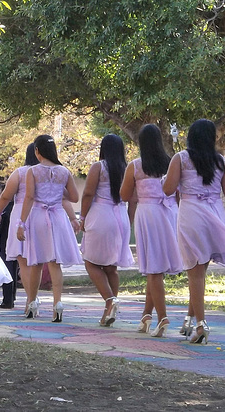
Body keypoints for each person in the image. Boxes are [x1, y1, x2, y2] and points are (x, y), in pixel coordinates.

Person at [163, 119, 225, 344]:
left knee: (194, 271)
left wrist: (164, 181)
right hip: (214, 214)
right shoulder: (222, 162)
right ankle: (190, 318)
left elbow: (168, 189)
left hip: (191, 214)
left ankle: (201, 324)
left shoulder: (181, 159)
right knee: (199, 270)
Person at [120, 124, 183, 336]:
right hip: (170, 213)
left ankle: (162, 317)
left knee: (153, 268)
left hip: (148, 214)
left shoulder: (136, 166)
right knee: (155, 268)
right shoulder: (171, 164)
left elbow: (124, 195)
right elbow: (178, 194)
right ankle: (146, 314)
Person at [17, 135, 83, 322]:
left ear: (37, 151)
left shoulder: (33, 171)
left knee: (36, 261)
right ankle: (57, 304)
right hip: (58, 216)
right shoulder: (64, 172)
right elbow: (74, 197)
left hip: (38, 216)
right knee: (55, 263)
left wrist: (20, 223)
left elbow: (29, 198)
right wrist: (57, 188)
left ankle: (32, 303)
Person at [80, 134, 134, 327]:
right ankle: (108, 311)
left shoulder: (99, 167)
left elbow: (87, 193)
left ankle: (110, 301)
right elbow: (132, 197)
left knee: (91, 262)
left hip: (101, 215)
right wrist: (131, 219)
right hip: (121, 215)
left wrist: (83, 217)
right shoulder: (127, 169)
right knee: (111, 267)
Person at [0, 144, 39, 312]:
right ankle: (33, 299)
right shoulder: (48, 172)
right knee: (36, 262)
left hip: (20, 214)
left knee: (23, 260)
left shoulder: (20, 173)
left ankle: (31, 300)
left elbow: (5, 196)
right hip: (41, 214)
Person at [0, 184, 17, 309]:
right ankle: (11, 297)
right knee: (14, 269)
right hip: (16, 243)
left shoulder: (4, 209)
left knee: (7, 271)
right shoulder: (18, 207)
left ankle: (8, 299)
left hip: (6, 244)